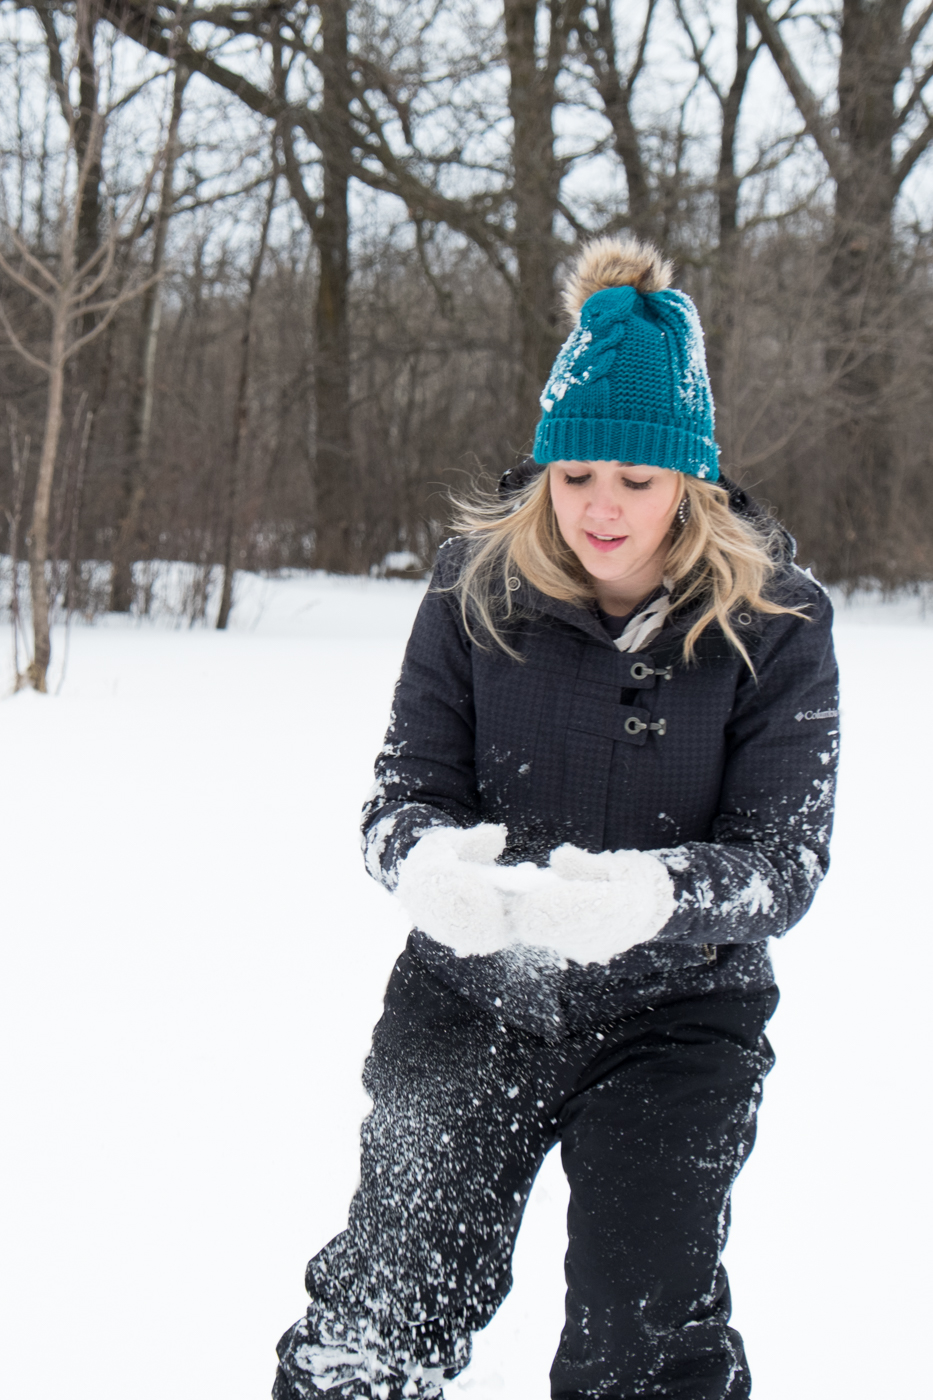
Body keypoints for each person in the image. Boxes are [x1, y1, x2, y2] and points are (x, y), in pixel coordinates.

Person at [272, 238, 839, 1400]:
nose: (600, 506)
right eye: (574, 474)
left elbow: (785, 861)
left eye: (635, 478)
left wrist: (659, 895)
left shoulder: (777, 618)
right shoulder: (473, 583)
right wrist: (426, 866)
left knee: (637, 1341)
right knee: (380, 1308)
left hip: (677, 1017)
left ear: (690, 476)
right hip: (473, 989)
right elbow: (402, 793)